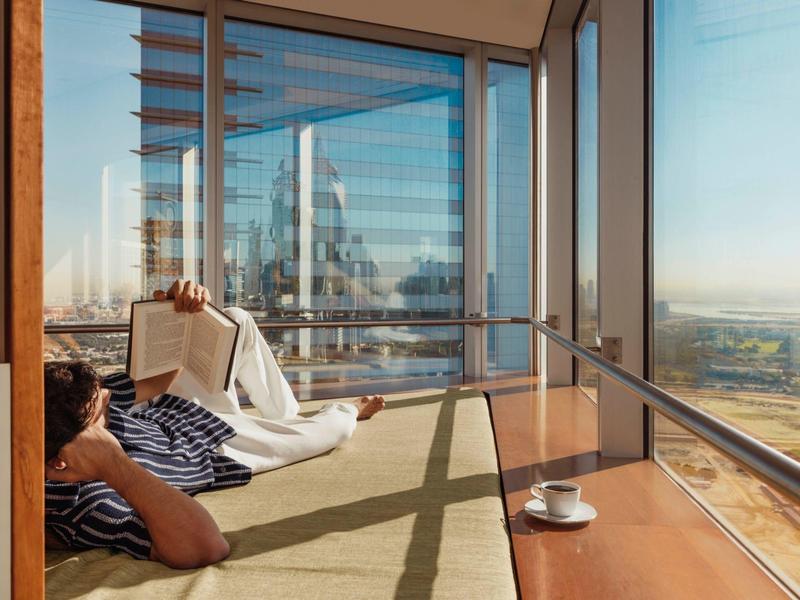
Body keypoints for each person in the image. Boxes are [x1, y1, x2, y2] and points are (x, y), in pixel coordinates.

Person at [44, 280, 385, 569]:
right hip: (213, 447)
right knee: (336, 430)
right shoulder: (84, 505)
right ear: (65, 458)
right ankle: (343, 412)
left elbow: (158, 382)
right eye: (104, 409)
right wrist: (115, 465)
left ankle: (286, 419)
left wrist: (179, 319)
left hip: (172, 412)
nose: (110, 400)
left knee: (235, 319)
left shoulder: (62, 404)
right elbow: (207, 546)